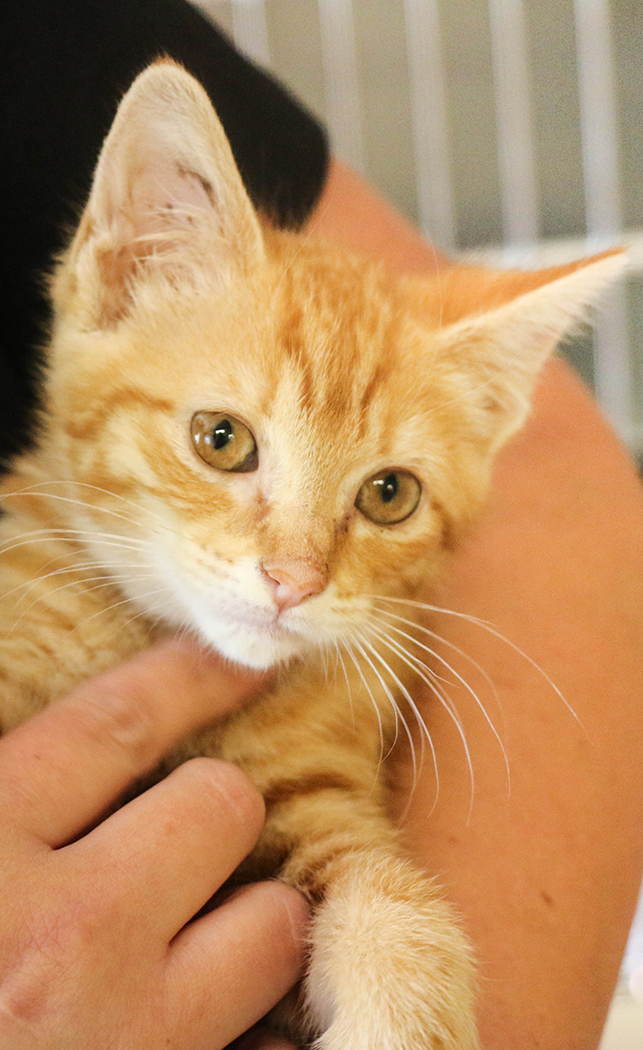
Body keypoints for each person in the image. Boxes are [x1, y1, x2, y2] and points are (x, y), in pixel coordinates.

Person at [1, 2, 643, 1048]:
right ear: (122, 280)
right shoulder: (32, 578)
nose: (296, 570)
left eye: (384, 496)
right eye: (223, 440)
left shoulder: (333, 680)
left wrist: (382, 930)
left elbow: (331, 860)